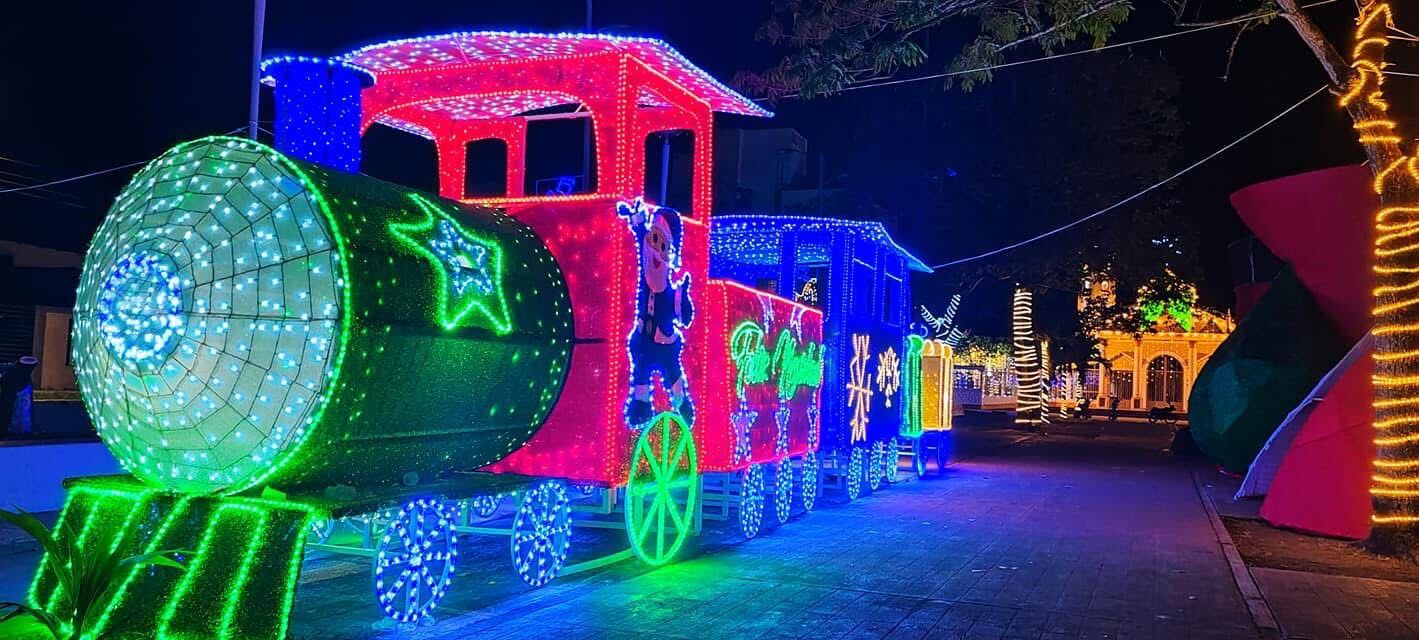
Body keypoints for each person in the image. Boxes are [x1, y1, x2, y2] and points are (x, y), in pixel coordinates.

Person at [618, 198, 695, 428]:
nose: (656, 250)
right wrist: (636, 221)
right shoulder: (647, 276)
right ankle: (640, 407)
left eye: (662, 245)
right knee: (640, 370)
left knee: (673, 377)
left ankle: (683, 406)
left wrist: (682, 299)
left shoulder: (671, 292)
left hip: (665, 344)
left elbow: (684, 316)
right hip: (644, 340)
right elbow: (643, 239)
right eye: (653, 241)